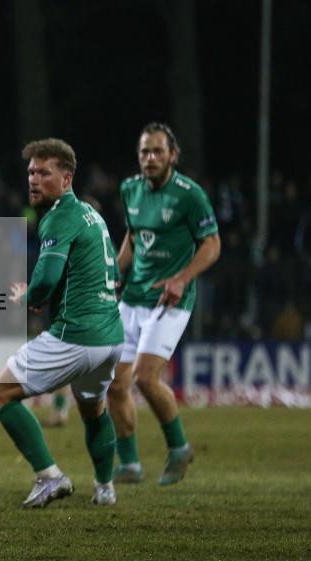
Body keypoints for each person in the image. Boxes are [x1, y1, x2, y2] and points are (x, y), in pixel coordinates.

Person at [0, 138, 124, 507]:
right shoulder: (92, 214)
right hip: (110, 337)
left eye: (44, 173)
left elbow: (45, 280)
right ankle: (105, 487)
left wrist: (27, 296)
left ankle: (50, 476)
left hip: (76, 335)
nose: (33, 179)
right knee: (94, 411)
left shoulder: (60, 216)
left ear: (66, 179)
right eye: (31, 172)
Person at [106, 123, 220, 486]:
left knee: (143, 376)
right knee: (113, 382)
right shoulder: (130, 189)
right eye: (144, 152)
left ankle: (178, 447)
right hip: (133, 296)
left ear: (173, 155)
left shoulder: (190, 195)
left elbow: (212, 244)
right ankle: (129, 464)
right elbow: (134, 239)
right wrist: (109, 274)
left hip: (171, 299)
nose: (150, 158)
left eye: (157, 151)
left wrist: (181, 278)